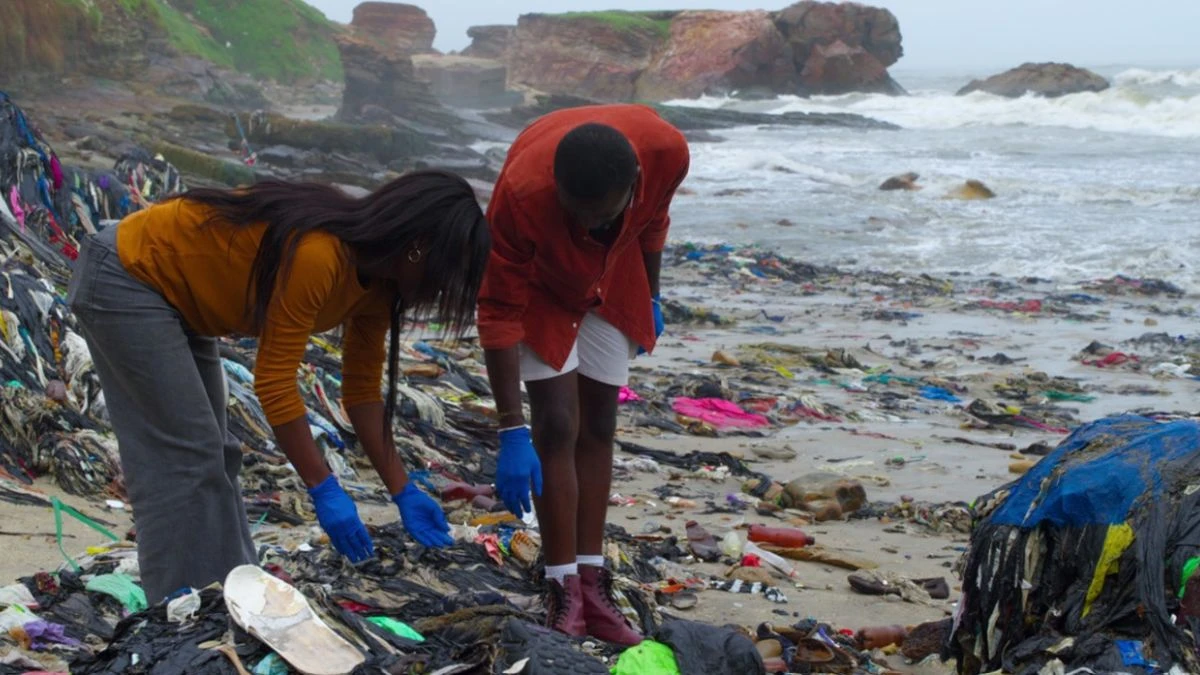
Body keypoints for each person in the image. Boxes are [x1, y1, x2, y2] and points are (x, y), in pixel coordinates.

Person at [66, 171, 491, 604]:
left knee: (218, 456)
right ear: (419, 249)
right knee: (186, 461)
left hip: (181, 300)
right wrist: (323, 488)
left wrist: (403, 490)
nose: (442, 291)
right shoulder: (321, 255)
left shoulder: (379, 288)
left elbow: (362, 392)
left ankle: (232, 590)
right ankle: (175, 608)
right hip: (127, 276)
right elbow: (274, 381)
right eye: (447, 274)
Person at [478, 104, 690, 645]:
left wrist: (654, 291)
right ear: (557, 186)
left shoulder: (667, 155)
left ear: (633, 184)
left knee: (599, 425)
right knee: (555, 424)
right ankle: (562, 588)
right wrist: (509, 429)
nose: (584, 224)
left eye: (596, 214)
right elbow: (499, 308)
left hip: (616, 272)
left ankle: (593, 585)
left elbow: (655, 223)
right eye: (575, 212)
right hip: (543, 286)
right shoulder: (523, 197)